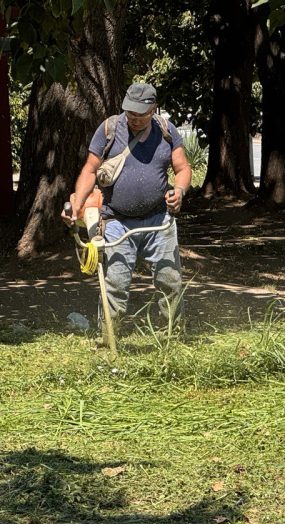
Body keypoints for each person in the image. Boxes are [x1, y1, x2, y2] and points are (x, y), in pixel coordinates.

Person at [61, 82, 192, 335]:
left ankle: (172, 338)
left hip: (159, 221)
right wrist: (76, 205)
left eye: (140, 115)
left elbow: (183, 168)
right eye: (130, 113)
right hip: (116, 222)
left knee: (170, 282)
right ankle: (107, 338)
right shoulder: (109, 129)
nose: (134, 119)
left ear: (153, 109)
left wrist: (180, 191)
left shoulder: (167, 131)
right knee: (115, 285)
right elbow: (90, 170)